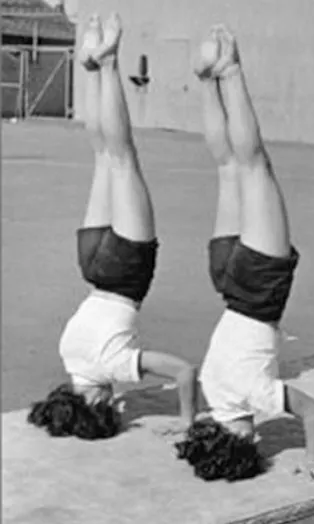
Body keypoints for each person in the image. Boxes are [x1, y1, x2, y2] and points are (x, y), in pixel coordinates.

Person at [27, 13, 197, 440]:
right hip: (91, 264)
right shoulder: (69, 355)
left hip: (125, 274)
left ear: (98, 404)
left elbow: (184, 371)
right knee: (102, 155)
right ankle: (91, 67)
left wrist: (187, 421)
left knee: (122, 156)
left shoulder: (113, 367)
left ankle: (108, 62)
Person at [174, 26, 314, 483]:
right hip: (226, 280)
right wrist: (187, 427)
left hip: (258, 290)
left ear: (244, 443)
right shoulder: (212, 390)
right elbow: (194, 397)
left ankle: (230, 71)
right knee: (228, 168)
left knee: (255, 165)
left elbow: (312, 411)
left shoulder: (255, 396)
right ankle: (207, 81)